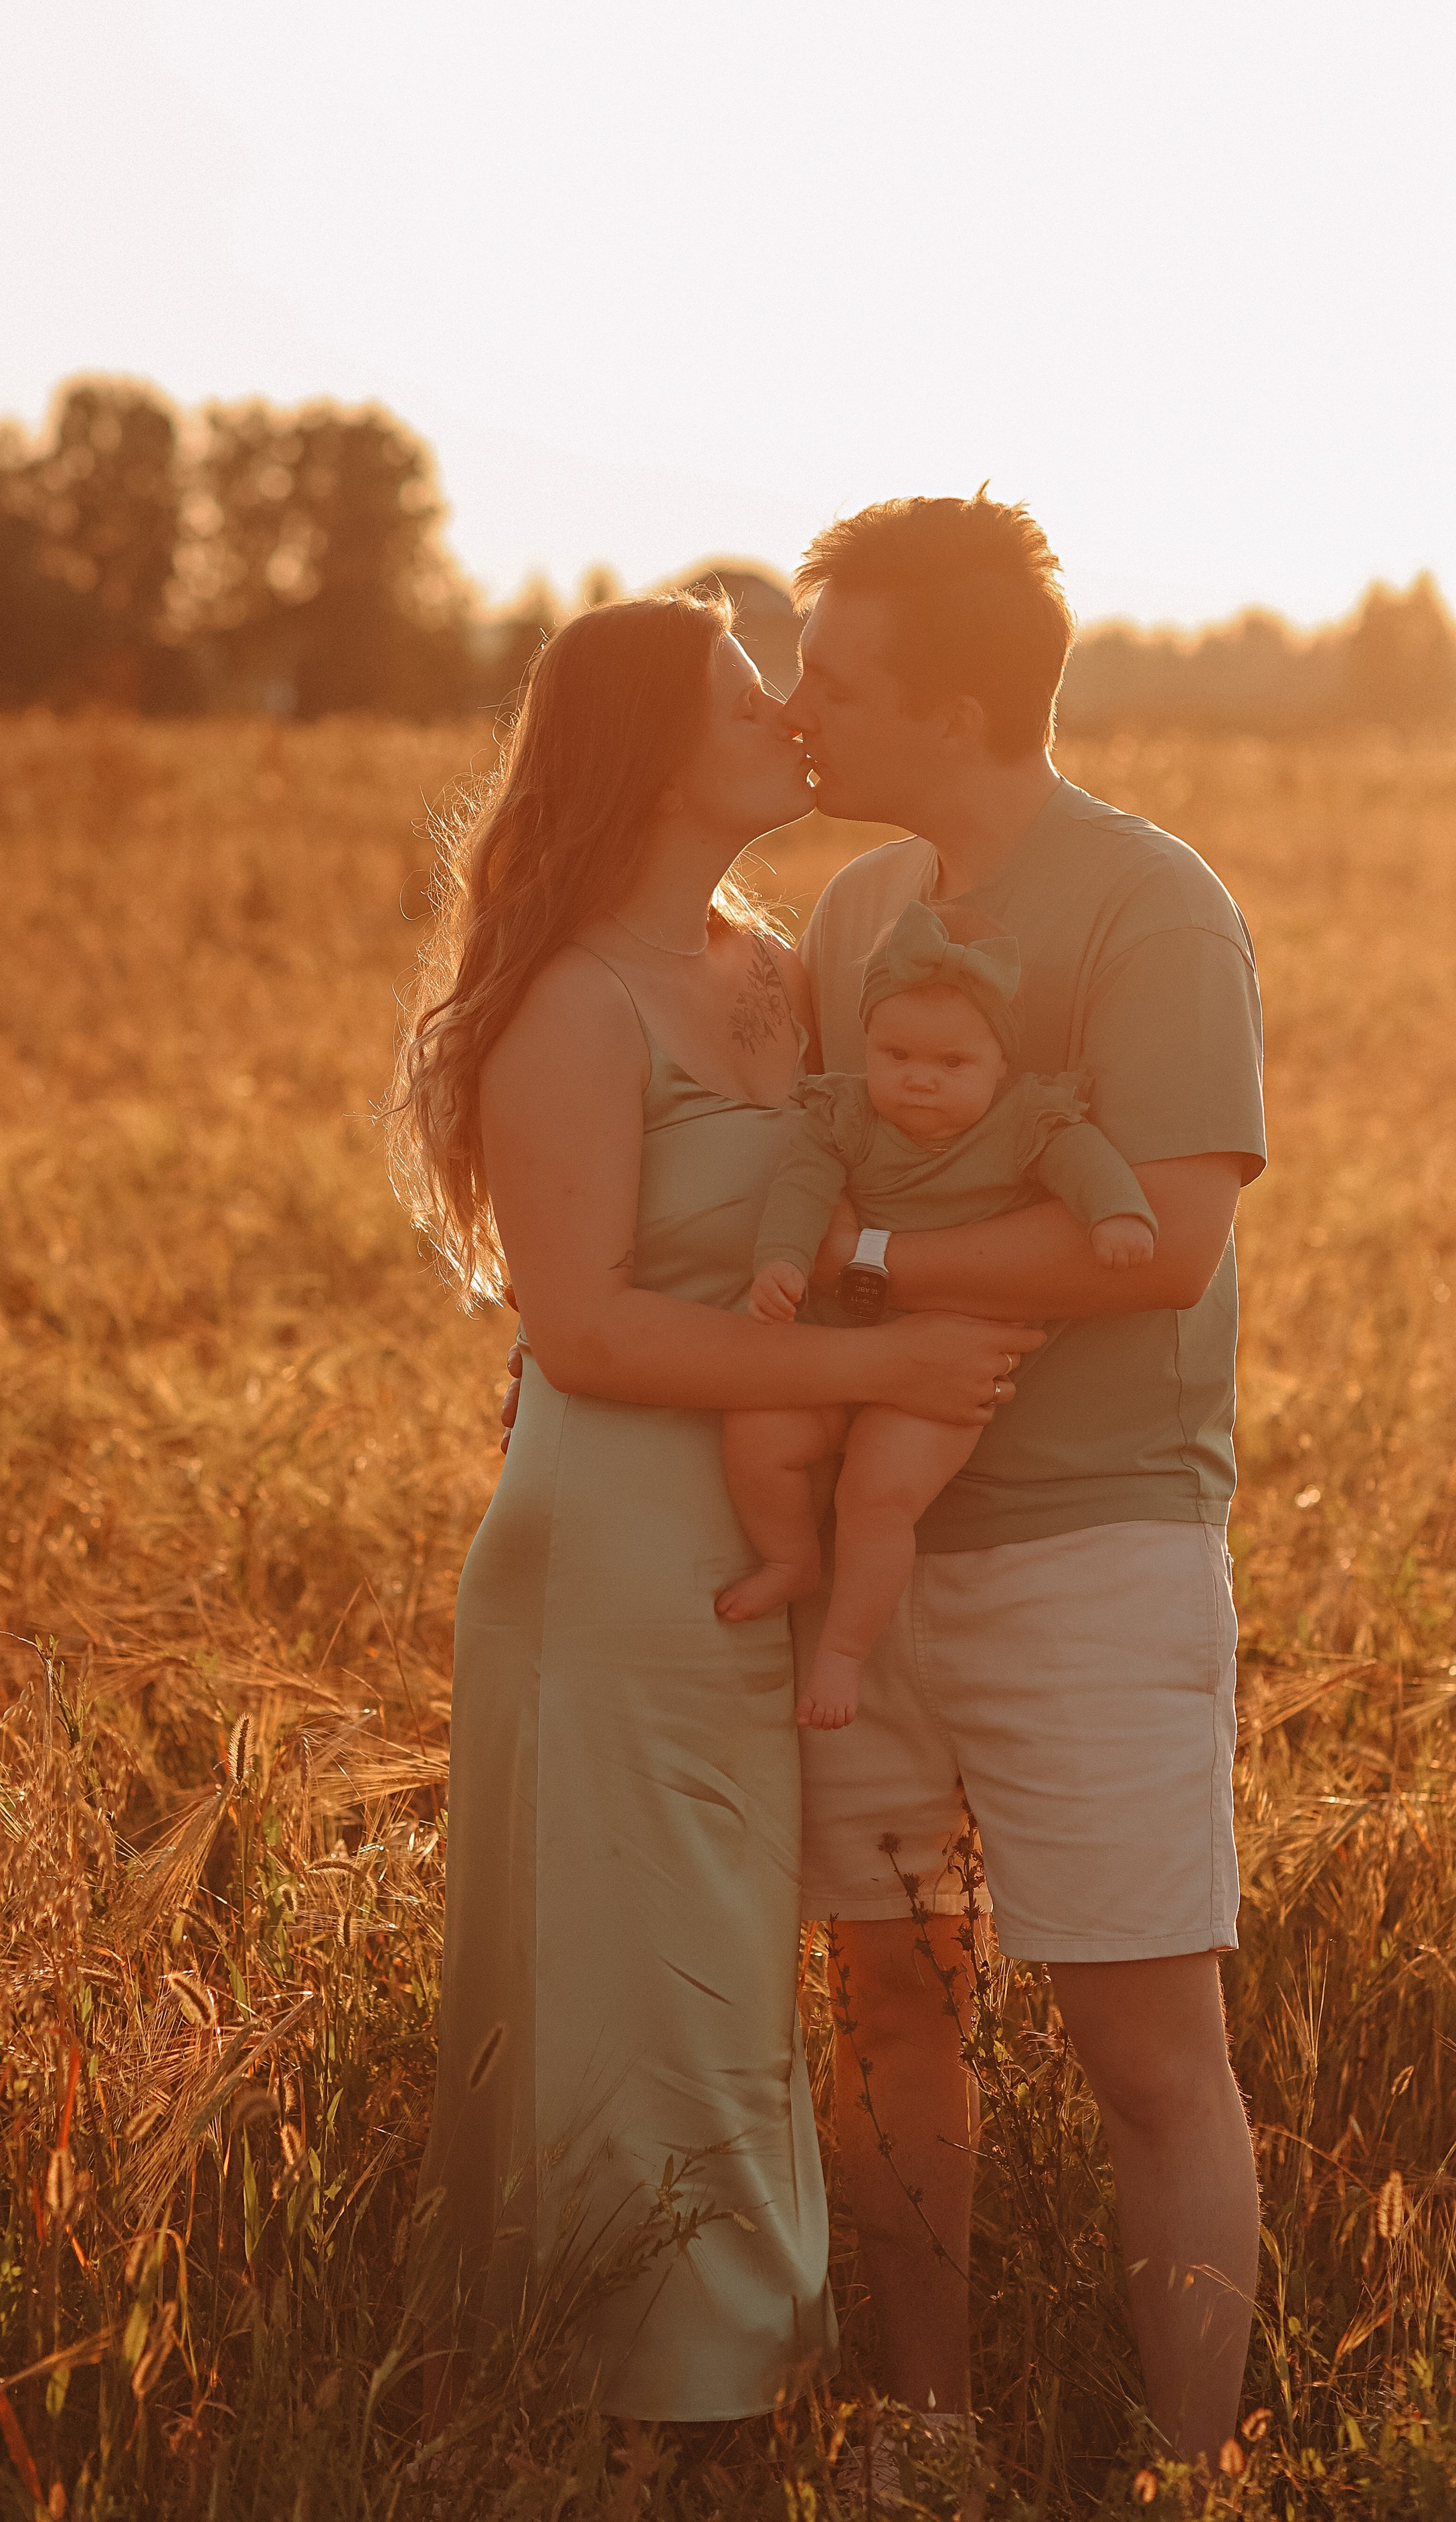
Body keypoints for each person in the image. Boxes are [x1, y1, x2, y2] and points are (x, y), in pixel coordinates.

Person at [386, 592, 1041, 2434]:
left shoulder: (776, 965)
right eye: (750, 698)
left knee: (726, 1968)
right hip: (611, 1549)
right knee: (637, 1974)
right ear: (655, 754)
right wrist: (882, 1370)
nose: (791, 718)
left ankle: (706, 2380)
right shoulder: (571, 1000)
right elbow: (584, 1329)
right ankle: (661, 2399)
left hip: (757, 1538)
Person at [784, 493, 1267, 2476]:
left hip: (1095, 1550)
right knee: (888, 2010)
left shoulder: (1150, 906)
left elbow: (1163, 1242)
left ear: (958, 708)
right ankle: (927, 2430)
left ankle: (1192, 2475)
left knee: (1148, 2057)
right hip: (868, 1568)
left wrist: (873, 1269)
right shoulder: (846, 916)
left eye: (835, 678)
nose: (796, 708)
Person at [718, 897, 1157, 1734]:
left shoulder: (1025, 1119)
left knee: (875, 1497)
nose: (920, 1078)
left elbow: (1083, 1159)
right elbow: (802, 1188)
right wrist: (779, 1262)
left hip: (945, 1362)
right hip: (837, 1339)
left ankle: (843, 1652)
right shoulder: (846, 1114)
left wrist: (1117, 1215)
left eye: (952, 1062)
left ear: (1001, 1062)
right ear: (867, 1047)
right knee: (759, 1431)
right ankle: (789, 1558)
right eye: (897, 1055)